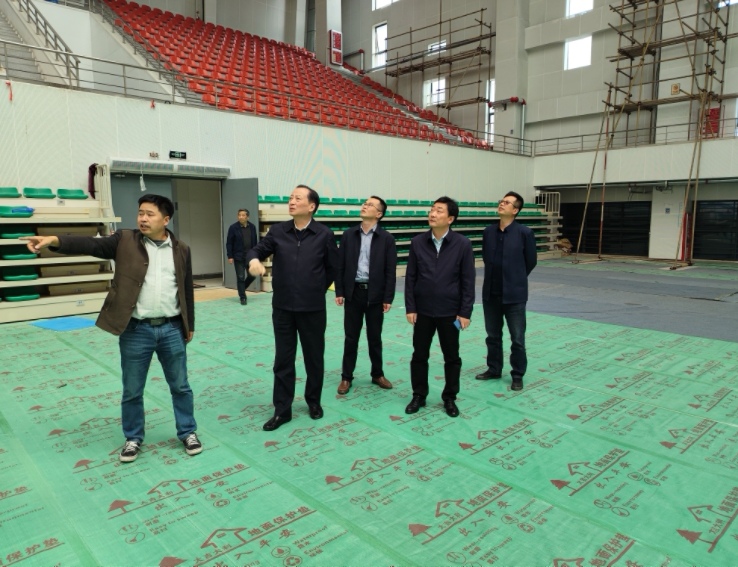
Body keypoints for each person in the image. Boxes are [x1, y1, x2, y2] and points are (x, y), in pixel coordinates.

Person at [22, 194, 202, 462]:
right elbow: (90, 244)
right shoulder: (124, 241)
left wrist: (190, 325)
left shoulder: (181, 249)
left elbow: (186, 289)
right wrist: (54, 241)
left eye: (150, 214)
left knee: (180, 386)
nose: (142, 218)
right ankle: (133, 438)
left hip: (171, 328)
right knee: (132, 389)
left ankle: (187, 432)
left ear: (166, 219)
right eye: (140, 213)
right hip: (136, 330)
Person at [246, 185, 338, 431]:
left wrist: (316, 289)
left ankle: (313, 401)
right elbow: (257, 249)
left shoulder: (324, 234)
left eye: (298, 198)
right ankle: (282, 410)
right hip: (283, 308)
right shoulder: (278, 231)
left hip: (312, 309)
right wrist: (253, 260)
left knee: (313, 358)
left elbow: (332, 268)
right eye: (290, 198)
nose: (292, 201)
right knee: (283, 360)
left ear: (312, 206)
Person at [404, 196, 475, 417]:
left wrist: (465, 312)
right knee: (419, 355)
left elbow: (468, 281)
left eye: (439, 211)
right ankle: (419, 395)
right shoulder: (418, 242)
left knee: (452, 357)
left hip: (450, 313)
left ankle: (450, 398)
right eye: (432, 209)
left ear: (450, 218)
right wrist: (410, 307)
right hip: (423, 311)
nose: (433, 214)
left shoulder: (462, 244)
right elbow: (410, 277)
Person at [335, 196, 397, 395]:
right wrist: (340, 290)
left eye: (370, 205)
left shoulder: (387, 239)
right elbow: (340, 265)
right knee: (351, 337)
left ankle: (377, 374)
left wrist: (388, 297)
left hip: (375, 294)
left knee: (374, 337)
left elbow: (390, 271)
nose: (364, 206)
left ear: (379, 213)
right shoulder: (349, 235)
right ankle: (346, 377)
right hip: (353, 293)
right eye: (365, 203)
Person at [476, 191, 537, 391]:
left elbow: (531, 261)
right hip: (491, 293)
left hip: (514, 296)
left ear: (515, 210)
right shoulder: (488, 232)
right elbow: (486, 258)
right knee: (492, 336)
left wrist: (515, 278)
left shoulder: (525, 233)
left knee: (517, 339)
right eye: (501, 201)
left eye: (507, 202)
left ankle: (517, 374)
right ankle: (494, 369)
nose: (502, 204)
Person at [226, 208, 258, 305]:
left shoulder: (252, 227)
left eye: (243, 215)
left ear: (247, 217)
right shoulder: (233, 228)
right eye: (239, 215)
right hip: (238, 256)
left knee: (252, 275)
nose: (241, 217)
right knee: (240, 277)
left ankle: (242, 289)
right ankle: (243, 297)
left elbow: (255, 242)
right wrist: (230, 256)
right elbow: (229, 243)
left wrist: (256, 255)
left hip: (250, 256)